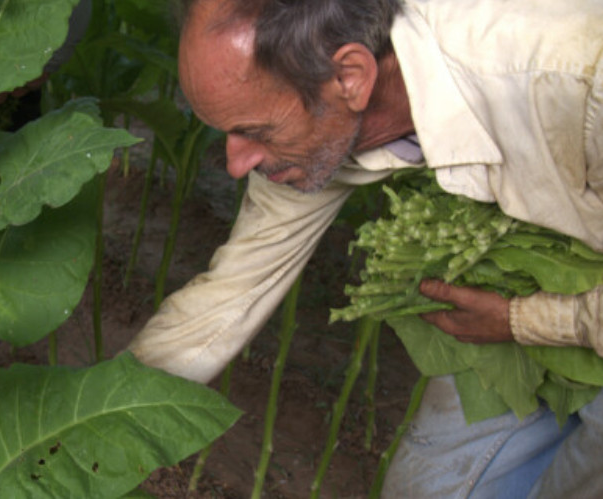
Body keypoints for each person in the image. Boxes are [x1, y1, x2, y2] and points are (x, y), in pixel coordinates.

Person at [126, 0, 603, 496]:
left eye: (254, 132)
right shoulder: (306, 122)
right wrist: (91, 424)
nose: (235, 164)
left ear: (351, 77)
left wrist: (526, 320)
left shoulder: (570, 74)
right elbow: (227, 296)